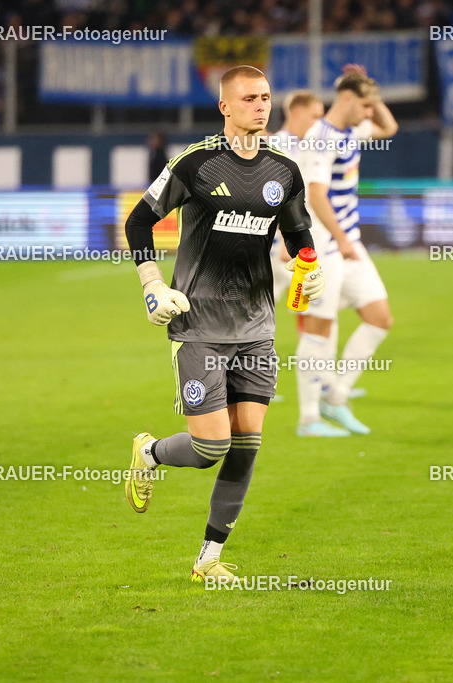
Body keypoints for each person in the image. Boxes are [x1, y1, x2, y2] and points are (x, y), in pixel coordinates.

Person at [123, 65, 325, 584]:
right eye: (250, 98)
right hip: (199, 326)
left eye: (266, 97)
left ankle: (208, 559)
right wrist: (152, 285)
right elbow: (139, 220)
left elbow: (299, 231)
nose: (261, 106)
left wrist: (309, 267)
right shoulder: (195, 164)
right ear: (225, 107)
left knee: (247, 443)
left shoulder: (284, 171)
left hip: (256, 327)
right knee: (211, 447)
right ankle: (148, 453)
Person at [295, 65, 398, 437]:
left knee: (379, 317)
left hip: (347, 242)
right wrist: (339, 238)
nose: (371, 114)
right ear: (346, 99)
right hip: (323, 245)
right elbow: (315, 194)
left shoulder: (351, 130)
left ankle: (335, 398)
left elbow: (390, 129)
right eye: (366, 106)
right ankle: (308, 418)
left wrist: (373, 92)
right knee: (318, 329)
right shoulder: (321, 137)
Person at [269, 90, 325, 303]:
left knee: (258, 311)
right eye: (315, 116)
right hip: (278, 245)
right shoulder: (279, 147)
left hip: (284, 243)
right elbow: (275, 196)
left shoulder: (301, 146)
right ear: (297, 112)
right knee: (315, 299)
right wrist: (286, 241)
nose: (319, 124)